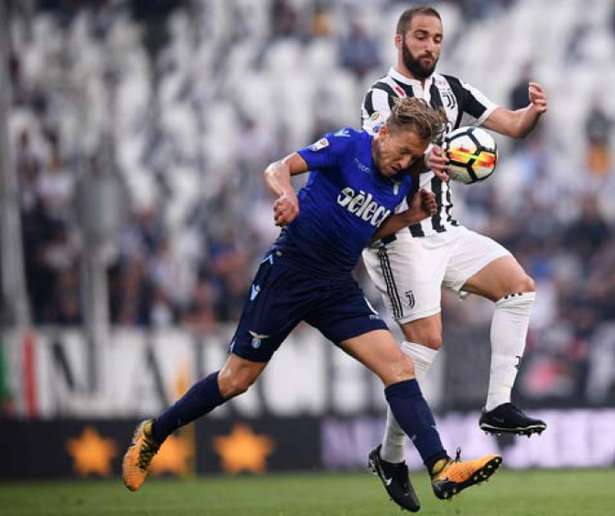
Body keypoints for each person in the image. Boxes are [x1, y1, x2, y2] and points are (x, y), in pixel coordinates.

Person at [121, 97, 502, 503]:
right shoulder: (348, 146)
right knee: (236, 380)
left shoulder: (405, 179)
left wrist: (407, 218)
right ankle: (153, 434)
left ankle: (441, 468)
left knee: (399, 367)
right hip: (290, 273)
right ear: (384, 132)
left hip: (335, 285)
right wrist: (288, 195)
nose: (405, 161)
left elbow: (366, 230)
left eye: (414, 156)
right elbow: (277, 167)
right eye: (402, 150)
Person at [360, 6, 548, 511]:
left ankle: (498, 405)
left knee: (519, 286)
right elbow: (382, 156)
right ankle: (393, 456)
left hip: (445, 229)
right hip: (400, 238)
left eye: (437, 38)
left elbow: (509, 124)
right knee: (426, 344)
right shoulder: (381, 95)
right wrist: (424, 158)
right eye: (421, 36)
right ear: (399, 40)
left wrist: (531, 115)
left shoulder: (451, 89)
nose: (430, 46)